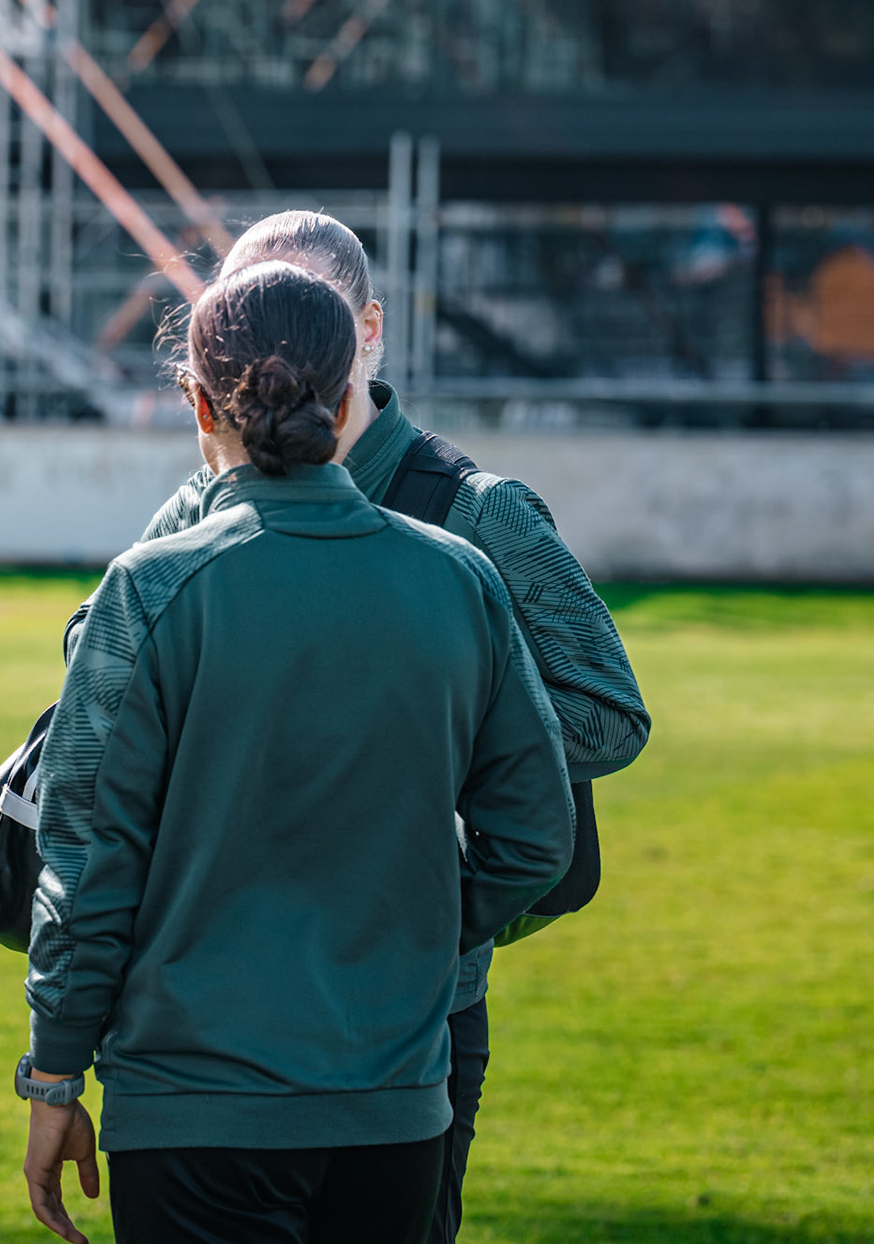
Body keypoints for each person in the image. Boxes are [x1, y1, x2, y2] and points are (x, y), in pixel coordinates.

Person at [105, 210, 652, 1242]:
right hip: (214, 1000)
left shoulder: (478, 511)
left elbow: (608, 709)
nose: (272, 340)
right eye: (242, 314)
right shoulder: (194, 504)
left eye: (304, 310)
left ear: (367, 329)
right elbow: (96, 683)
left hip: (411, 1006)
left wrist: (429, 760)